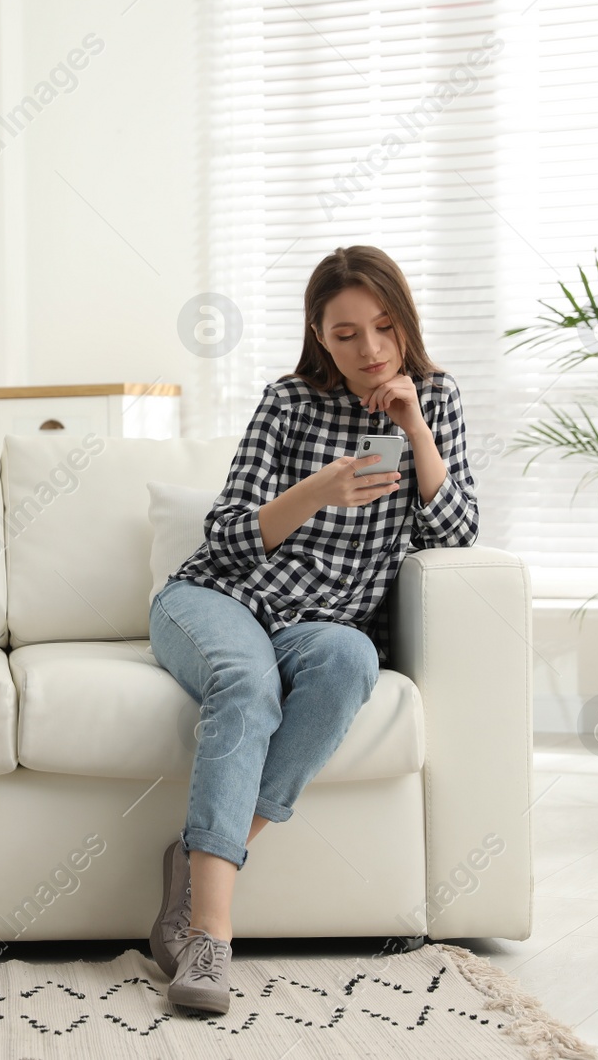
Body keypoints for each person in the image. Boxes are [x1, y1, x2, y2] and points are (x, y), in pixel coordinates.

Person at [147, 245, 479, 1013]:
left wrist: (414, 427)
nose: (370, 350)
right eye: (346, 334)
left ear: (405, 325)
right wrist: (320, 488)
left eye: (384, 329)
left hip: (321, 623)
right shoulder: (290, 401)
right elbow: (226, 533)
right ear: (319, 335)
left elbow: (454, 534)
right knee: (247, 682)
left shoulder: (436, 398)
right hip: (218, 599)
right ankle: (210, 937)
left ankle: (200, 856)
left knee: (351, 661)